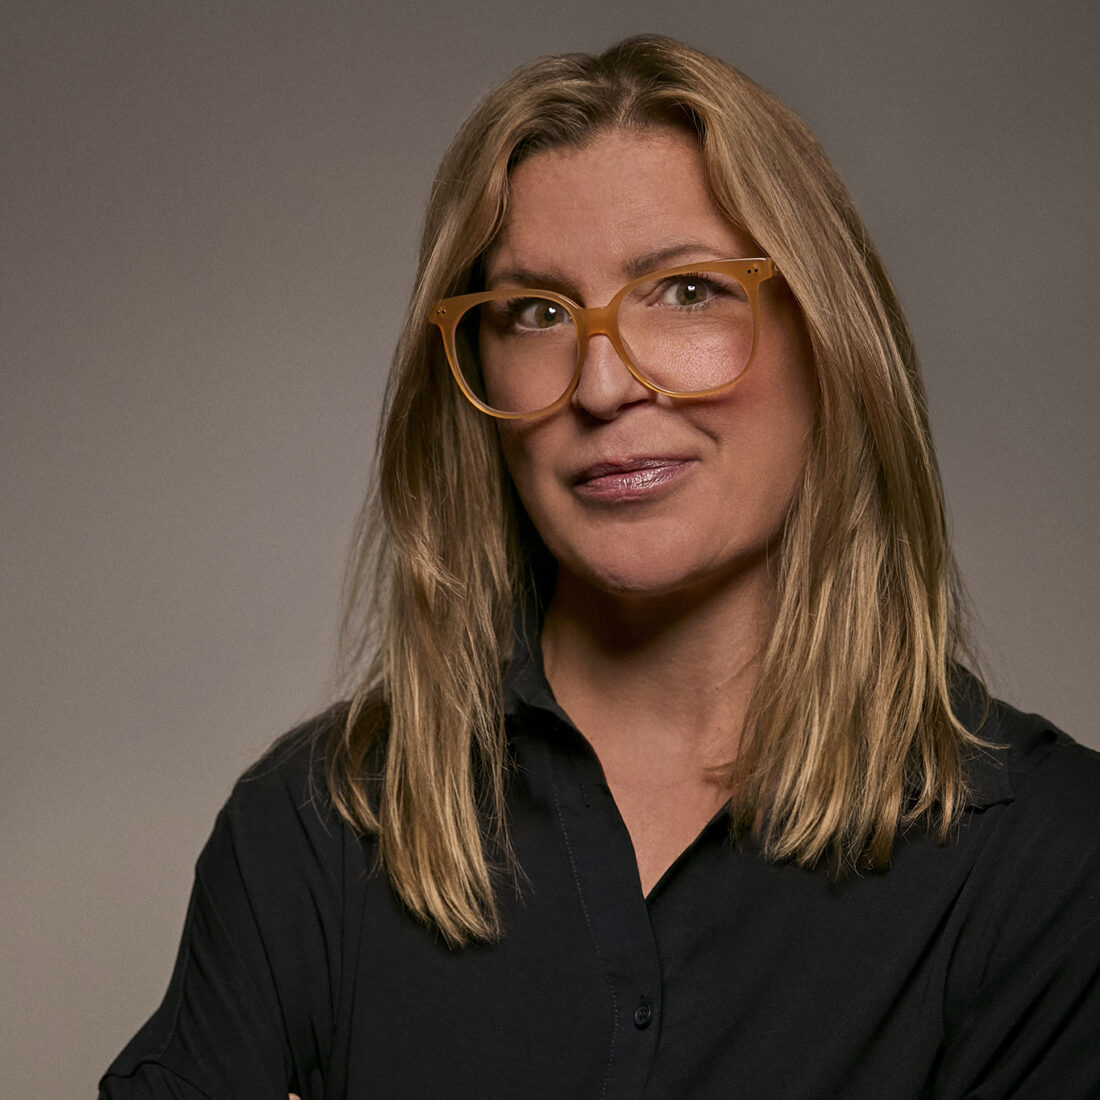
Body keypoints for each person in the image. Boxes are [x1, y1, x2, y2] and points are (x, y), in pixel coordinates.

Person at [100, 34, 1100, 1099]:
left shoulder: (1048, 862)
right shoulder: (314, 830)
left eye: (681, 291)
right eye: (533, 312)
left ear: (831, 337)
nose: (599, 383)